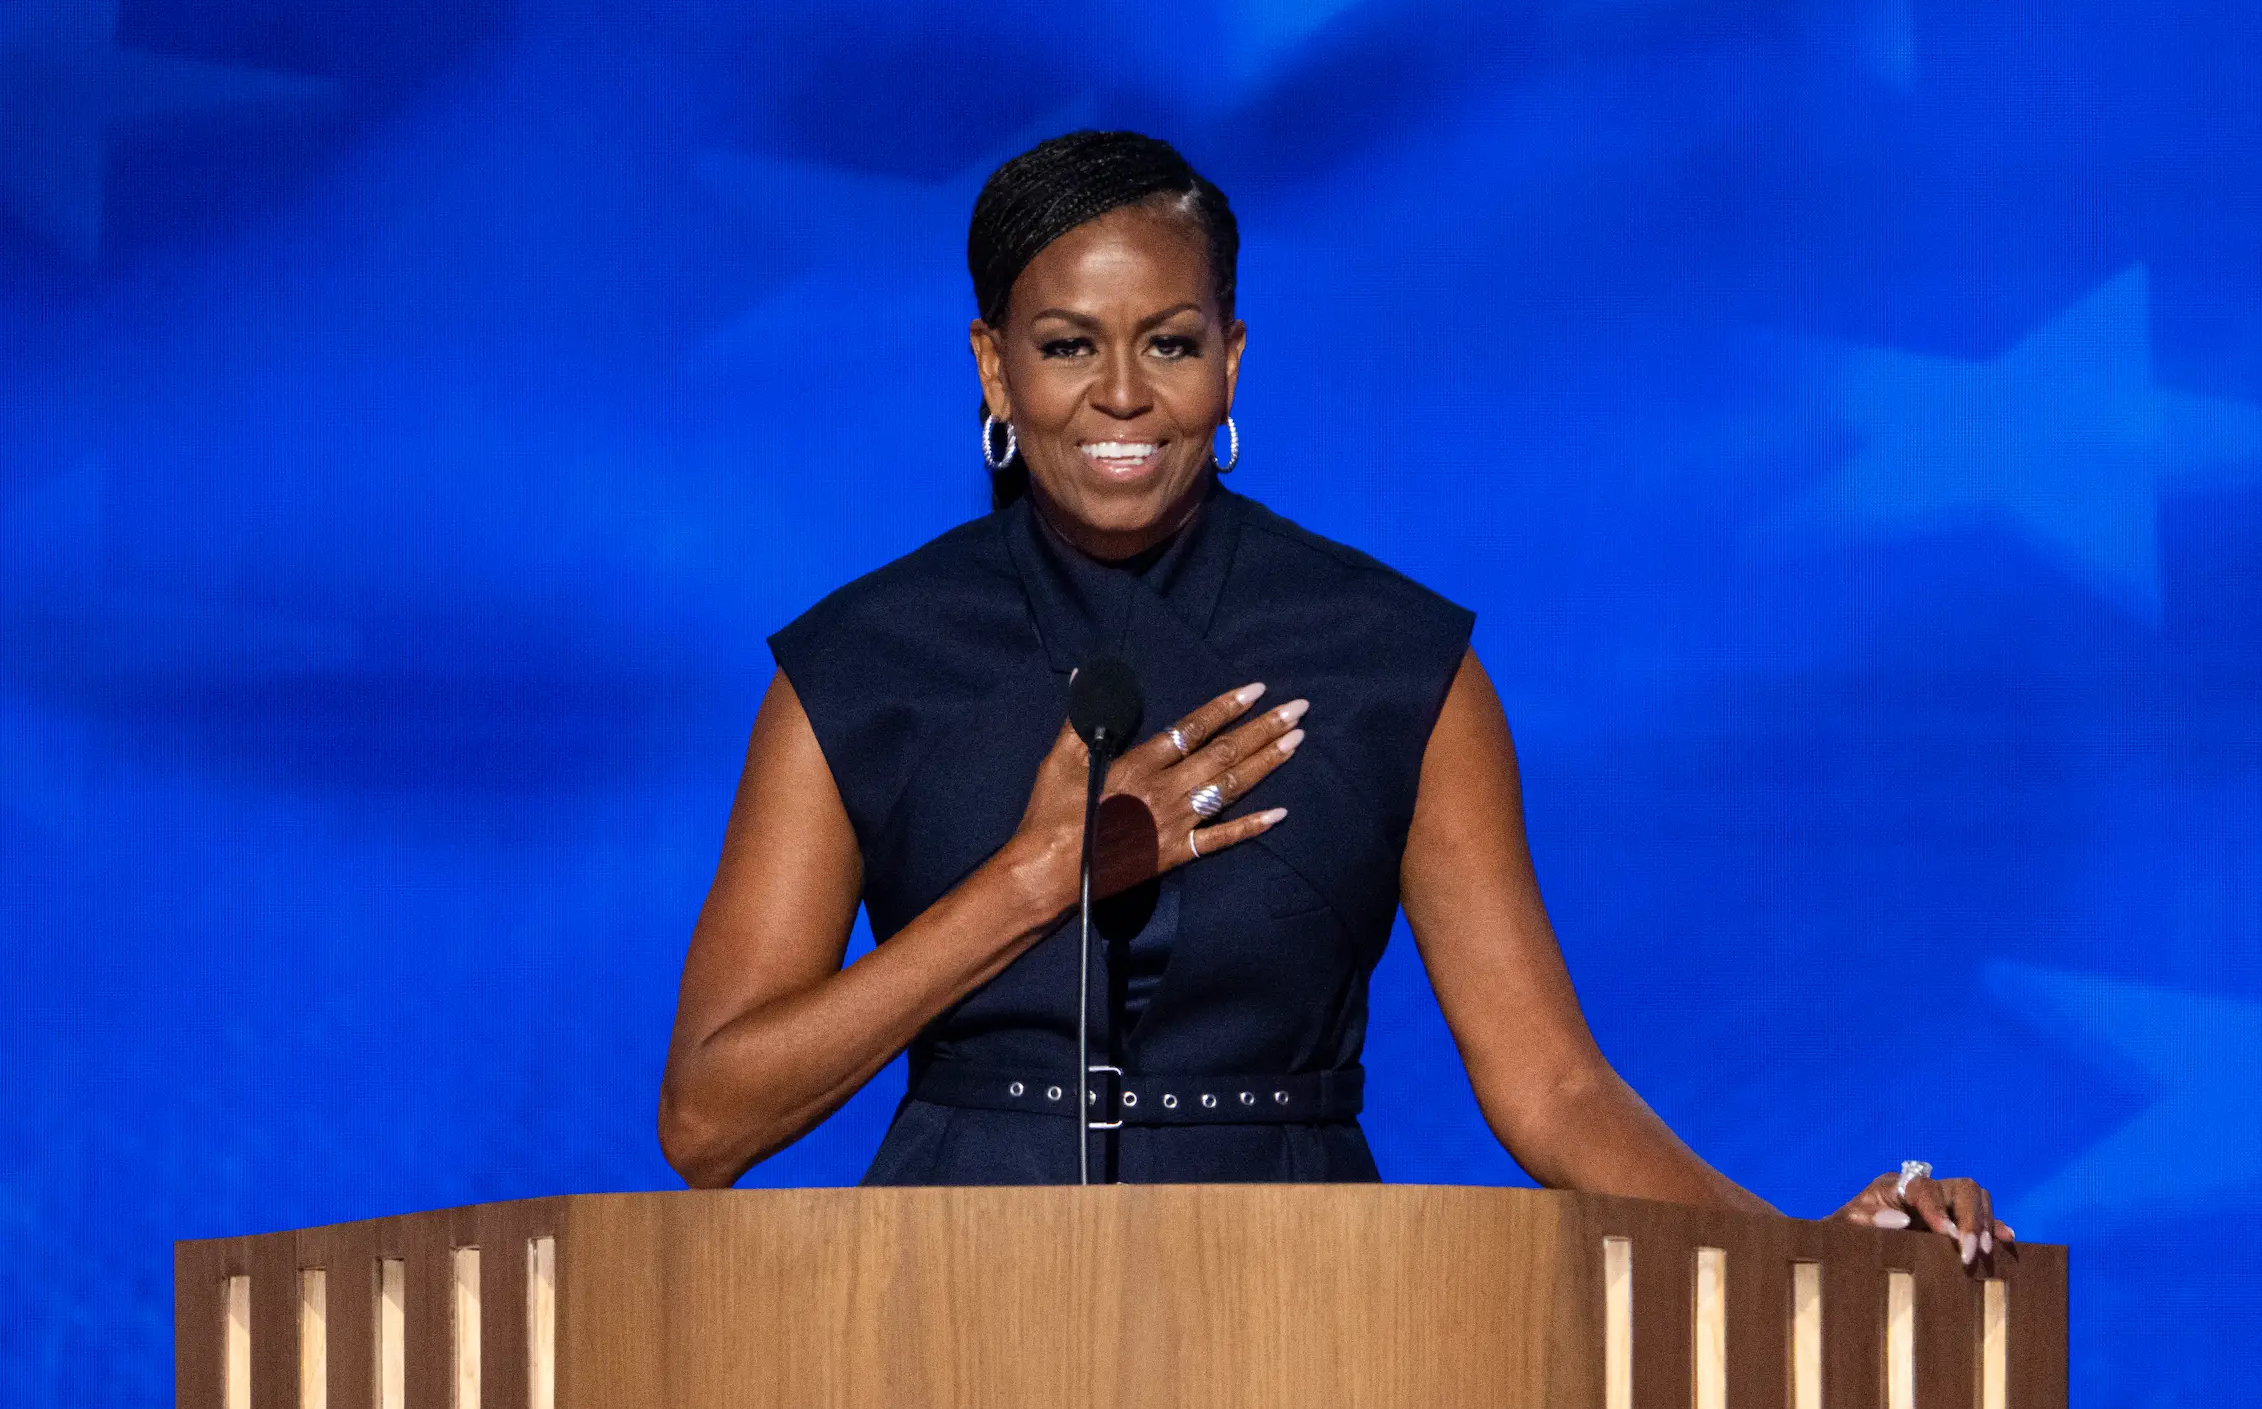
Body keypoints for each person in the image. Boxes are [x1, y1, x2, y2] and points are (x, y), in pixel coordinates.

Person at [657, 131, 2010, 1268]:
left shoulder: (1393, 660)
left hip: (1312, 1298)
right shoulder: (863, 662)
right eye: (1067, 346)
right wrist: (1030, 882)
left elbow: (1553, 1090)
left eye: (1169, 343)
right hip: (937, 1301)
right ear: (993, 368)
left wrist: (1807, 1257)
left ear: (1231, 361)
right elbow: (707, 1122)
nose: (1122, 395)